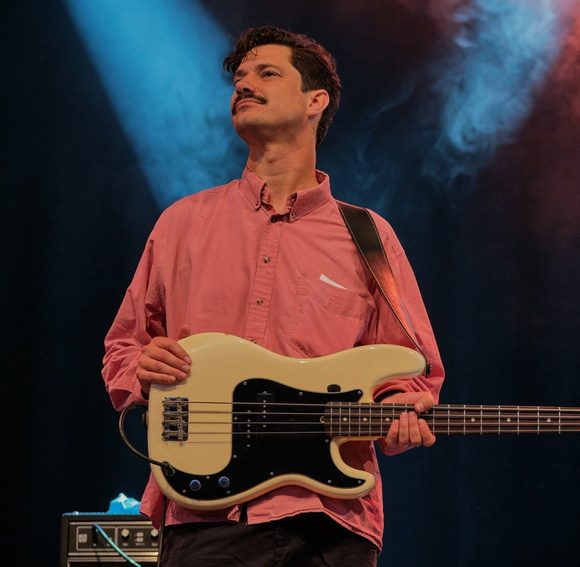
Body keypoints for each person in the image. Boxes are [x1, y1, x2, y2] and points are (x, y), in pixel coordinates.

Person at [102, 26, 444, 566]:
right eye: (239, 78)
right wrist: (144, 368)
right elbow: (123, 349)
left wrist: (401, 412)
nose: (244, 84)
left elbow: (412, 373)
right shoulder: (182, 224)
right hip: (202, 515)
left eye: (266, 73)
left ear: (316, 100)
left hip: (329, 524)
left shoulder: (371, 239)